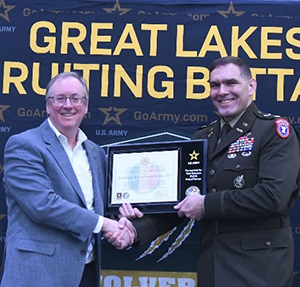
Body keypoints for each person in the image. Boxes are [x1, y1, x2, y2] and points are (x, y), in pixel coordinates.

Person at [108, 56, 300, 287]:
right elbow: (179, 204)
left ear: (251, 86)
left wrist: (206, 205)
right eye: (215, 85)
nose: (222, 91)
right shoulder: (202, 139)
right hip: (213, 267)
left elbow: (272, 197)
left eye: (231, 83)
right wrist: (135, 231)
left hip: (260, 270)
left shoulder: (273, 132)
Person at [0, 72, 134, 287]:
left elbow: (100, 206)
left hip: (86, 272)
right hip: (37, 275)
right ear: (47, 106)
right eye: (59, 98)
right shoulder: (24, 145)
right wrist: (104, 224)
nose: (68, 105)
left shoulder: (95, 153)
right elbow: (42, 205)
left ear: (86, 105)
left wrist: (125, 219)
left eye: (75, 98)